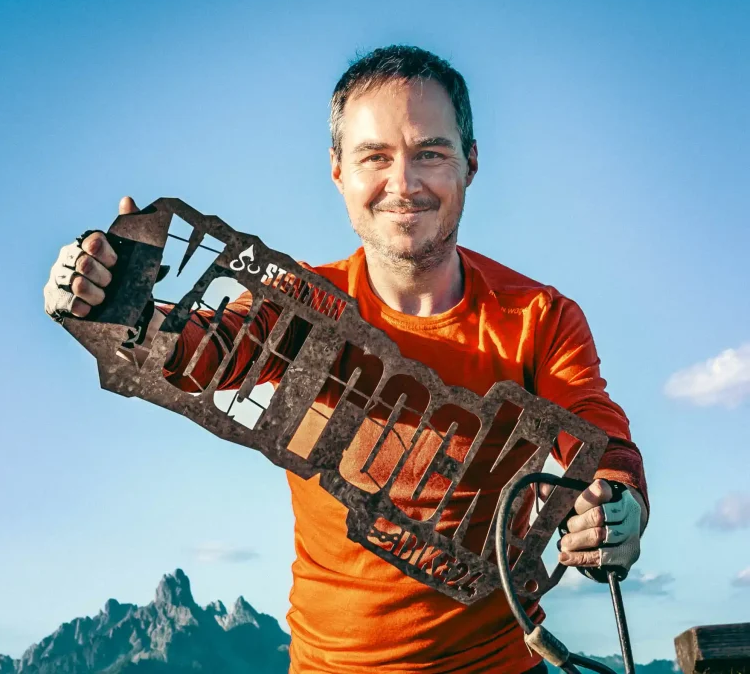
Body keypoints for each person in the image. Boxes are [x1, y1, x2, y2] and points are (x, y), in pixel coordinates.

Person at [44, 45, 649, 674]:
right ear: (338, 171)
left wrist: (619, 499)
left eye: (431, 154)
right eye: (375, 158)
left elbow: (596, 429)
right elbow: (209, 351)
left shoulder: (539, 318)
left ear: (471, 162)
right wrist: (111, 305)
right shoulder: (301, 301)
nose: (404, 183)